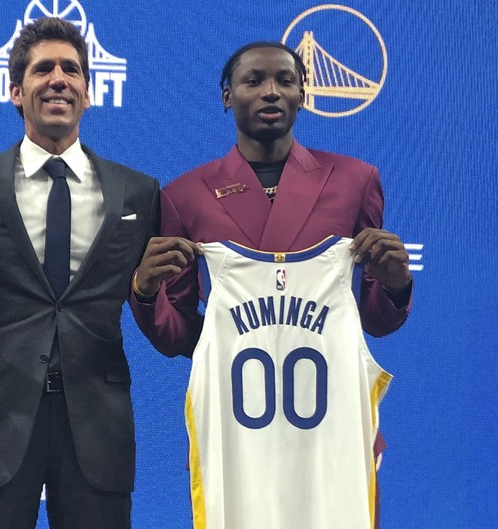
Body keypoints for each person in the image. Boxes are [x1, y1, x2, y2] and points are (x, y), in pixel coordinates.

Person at [129, 41, 412, 527]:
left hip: (332, 439)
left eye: (285, 80)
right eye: (254, 80)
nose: (271, 92)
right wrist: (144, 293)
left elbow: (372, 321)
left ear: (303, 94)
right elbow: (182, 337)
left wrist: (395, 285)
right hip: (238, 440)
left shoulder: (355, 180)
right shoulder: (185, 196)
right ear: (227, 96)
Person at [0, 17, 159, 529]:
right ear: (15, 92)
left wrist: (148, 293)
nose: (58, 79)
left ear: (88, 92)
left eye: (71, 69)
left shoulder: (139, 193)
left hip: (99, 424)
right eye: (43, 69)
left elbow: (159, 315)